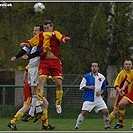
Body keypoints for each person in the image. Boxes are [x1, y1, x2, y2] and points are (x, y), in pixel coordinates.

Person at [8, 25, 55, 130]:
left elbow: (40, 55)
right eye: (33, 31)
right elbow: (25, 51)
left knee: (44, 103)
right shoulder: (33, 43)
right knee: (30, 104)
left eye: (36, 31)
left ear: (41, 32)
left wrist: (49, 76)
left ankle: (43, 123)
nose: (34, 32)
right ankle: (29, 114)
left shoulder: (43, 42)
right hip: (31, 78)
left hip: (35, 74)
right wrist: (16, 56)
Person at [20, 20, 70, 115]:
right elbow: (31, 42)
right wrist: (25, 44)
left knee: (59, 83)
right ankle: (39, 99)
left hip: (55, 61)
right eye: (45, 28)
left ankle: (58, 103)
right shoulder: (41, 35)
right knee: (41, 80)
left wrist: (65, 39)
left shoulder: (55, 34)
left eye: (48, 28)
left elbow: (61, 38)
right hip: (44, 62)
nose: (46, 30)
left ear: (52, 27)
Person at [74, 61, 110, 129]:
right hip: (89, 98)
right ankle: (77, 126)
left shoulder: (102, 77)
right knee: (84, 112)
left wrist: (101, 92)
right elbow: (82, 86)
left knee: (106, 111)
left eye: (95, 66)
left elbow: (104, 87)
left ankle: (107, 125)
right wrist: (89, 87)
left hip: (98, 98)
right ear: (91, 68)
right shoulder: (87, 76)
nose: (94, 68)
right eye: (93, 66)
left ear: (98, 68)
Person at [109, 59, 133, 129]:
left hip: (130, 93)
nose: (128, 66)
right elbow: (117, 84)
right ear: (124, 65)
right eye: (126, 64)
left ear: (131, 65)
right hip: (123, 94)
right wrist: (120, 89)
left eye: (129, 64)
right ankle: (111, 124)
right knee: (118, 108)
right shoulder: (122, 73)